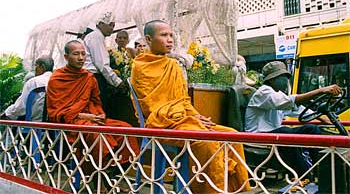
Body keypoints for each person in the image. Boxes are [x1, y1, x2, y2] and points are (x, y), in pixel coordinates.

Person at [130, 20, 250, 193]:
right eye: (164, 35)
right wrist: (186, 117)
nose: (170, 40)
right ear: (148, 39)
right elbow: (150, 105)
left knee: (232, 135)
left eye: (171, 35)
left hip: (183, 119)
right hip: (161, 124)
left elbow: (183, 100)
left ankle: (233, 189)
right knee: (206, 142)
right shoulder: (140, 66)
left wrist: (195, 116)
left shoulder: (173, 66)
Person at [46, 40, 139, 191]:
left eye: (83, 54)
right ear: (66, 56)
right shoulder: (57, 78)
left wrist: (99, 115)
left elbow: (95, 102)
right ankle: (98, 182)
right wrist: (84, 117)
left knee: (125, 129)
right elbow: (56, 112)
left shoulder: (88, 77)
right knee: (98, 135)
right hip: (70, 123)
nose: (81, 58)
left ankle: (109, 176)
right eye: (76, 54)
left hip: (92, 119)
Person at [245, 61, 342, 178]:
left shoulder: (278, 94)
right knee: (286, 132)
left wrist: (323, 117)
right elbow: (289, 101)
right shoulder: (264, 91)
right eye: (282, 77)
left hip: (274, 134)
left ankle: (321, 173)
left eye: (286, 77)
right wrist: (320, 91)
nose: (285, 80)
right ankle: (303, 176)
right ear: (271, 79)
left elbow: (297, 109)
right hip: (257, 137)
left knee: (312, 129)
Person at [83, 12, 128, 113]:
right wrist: (118, 82)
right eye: (110, 25)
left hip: (95, 77)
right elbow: (102, 65)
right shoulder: (96, 37)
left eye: (113, 26)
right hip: (94, 78)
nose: (112, 28)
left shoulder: (97, 37)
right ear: (100, 24)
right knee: (98, 109)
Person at [0, 56, 54, 121]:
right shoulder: (59, 82)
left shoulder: (34, 82)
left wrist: (6, 113)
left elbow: (20, 108)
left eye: (36, 66)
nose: (35, 69)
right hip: (57, 129)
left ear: (42, 67)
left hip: (33, 127)